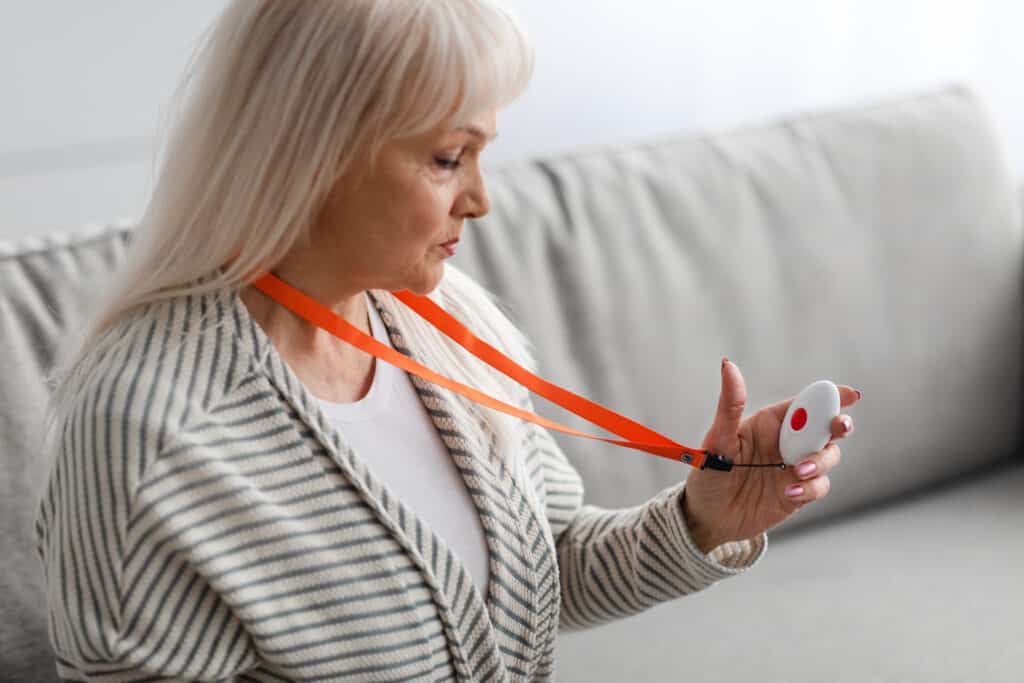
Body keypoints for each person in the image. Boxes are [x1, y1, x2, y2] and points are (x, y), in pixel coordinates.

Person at [35, 1, 860, 681]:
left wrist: (701, 518)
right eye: (447, 157)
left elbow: (552, 566)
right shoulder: (146, 428)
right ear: (312, 155)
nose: (481, 200)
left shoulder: (449, 324)